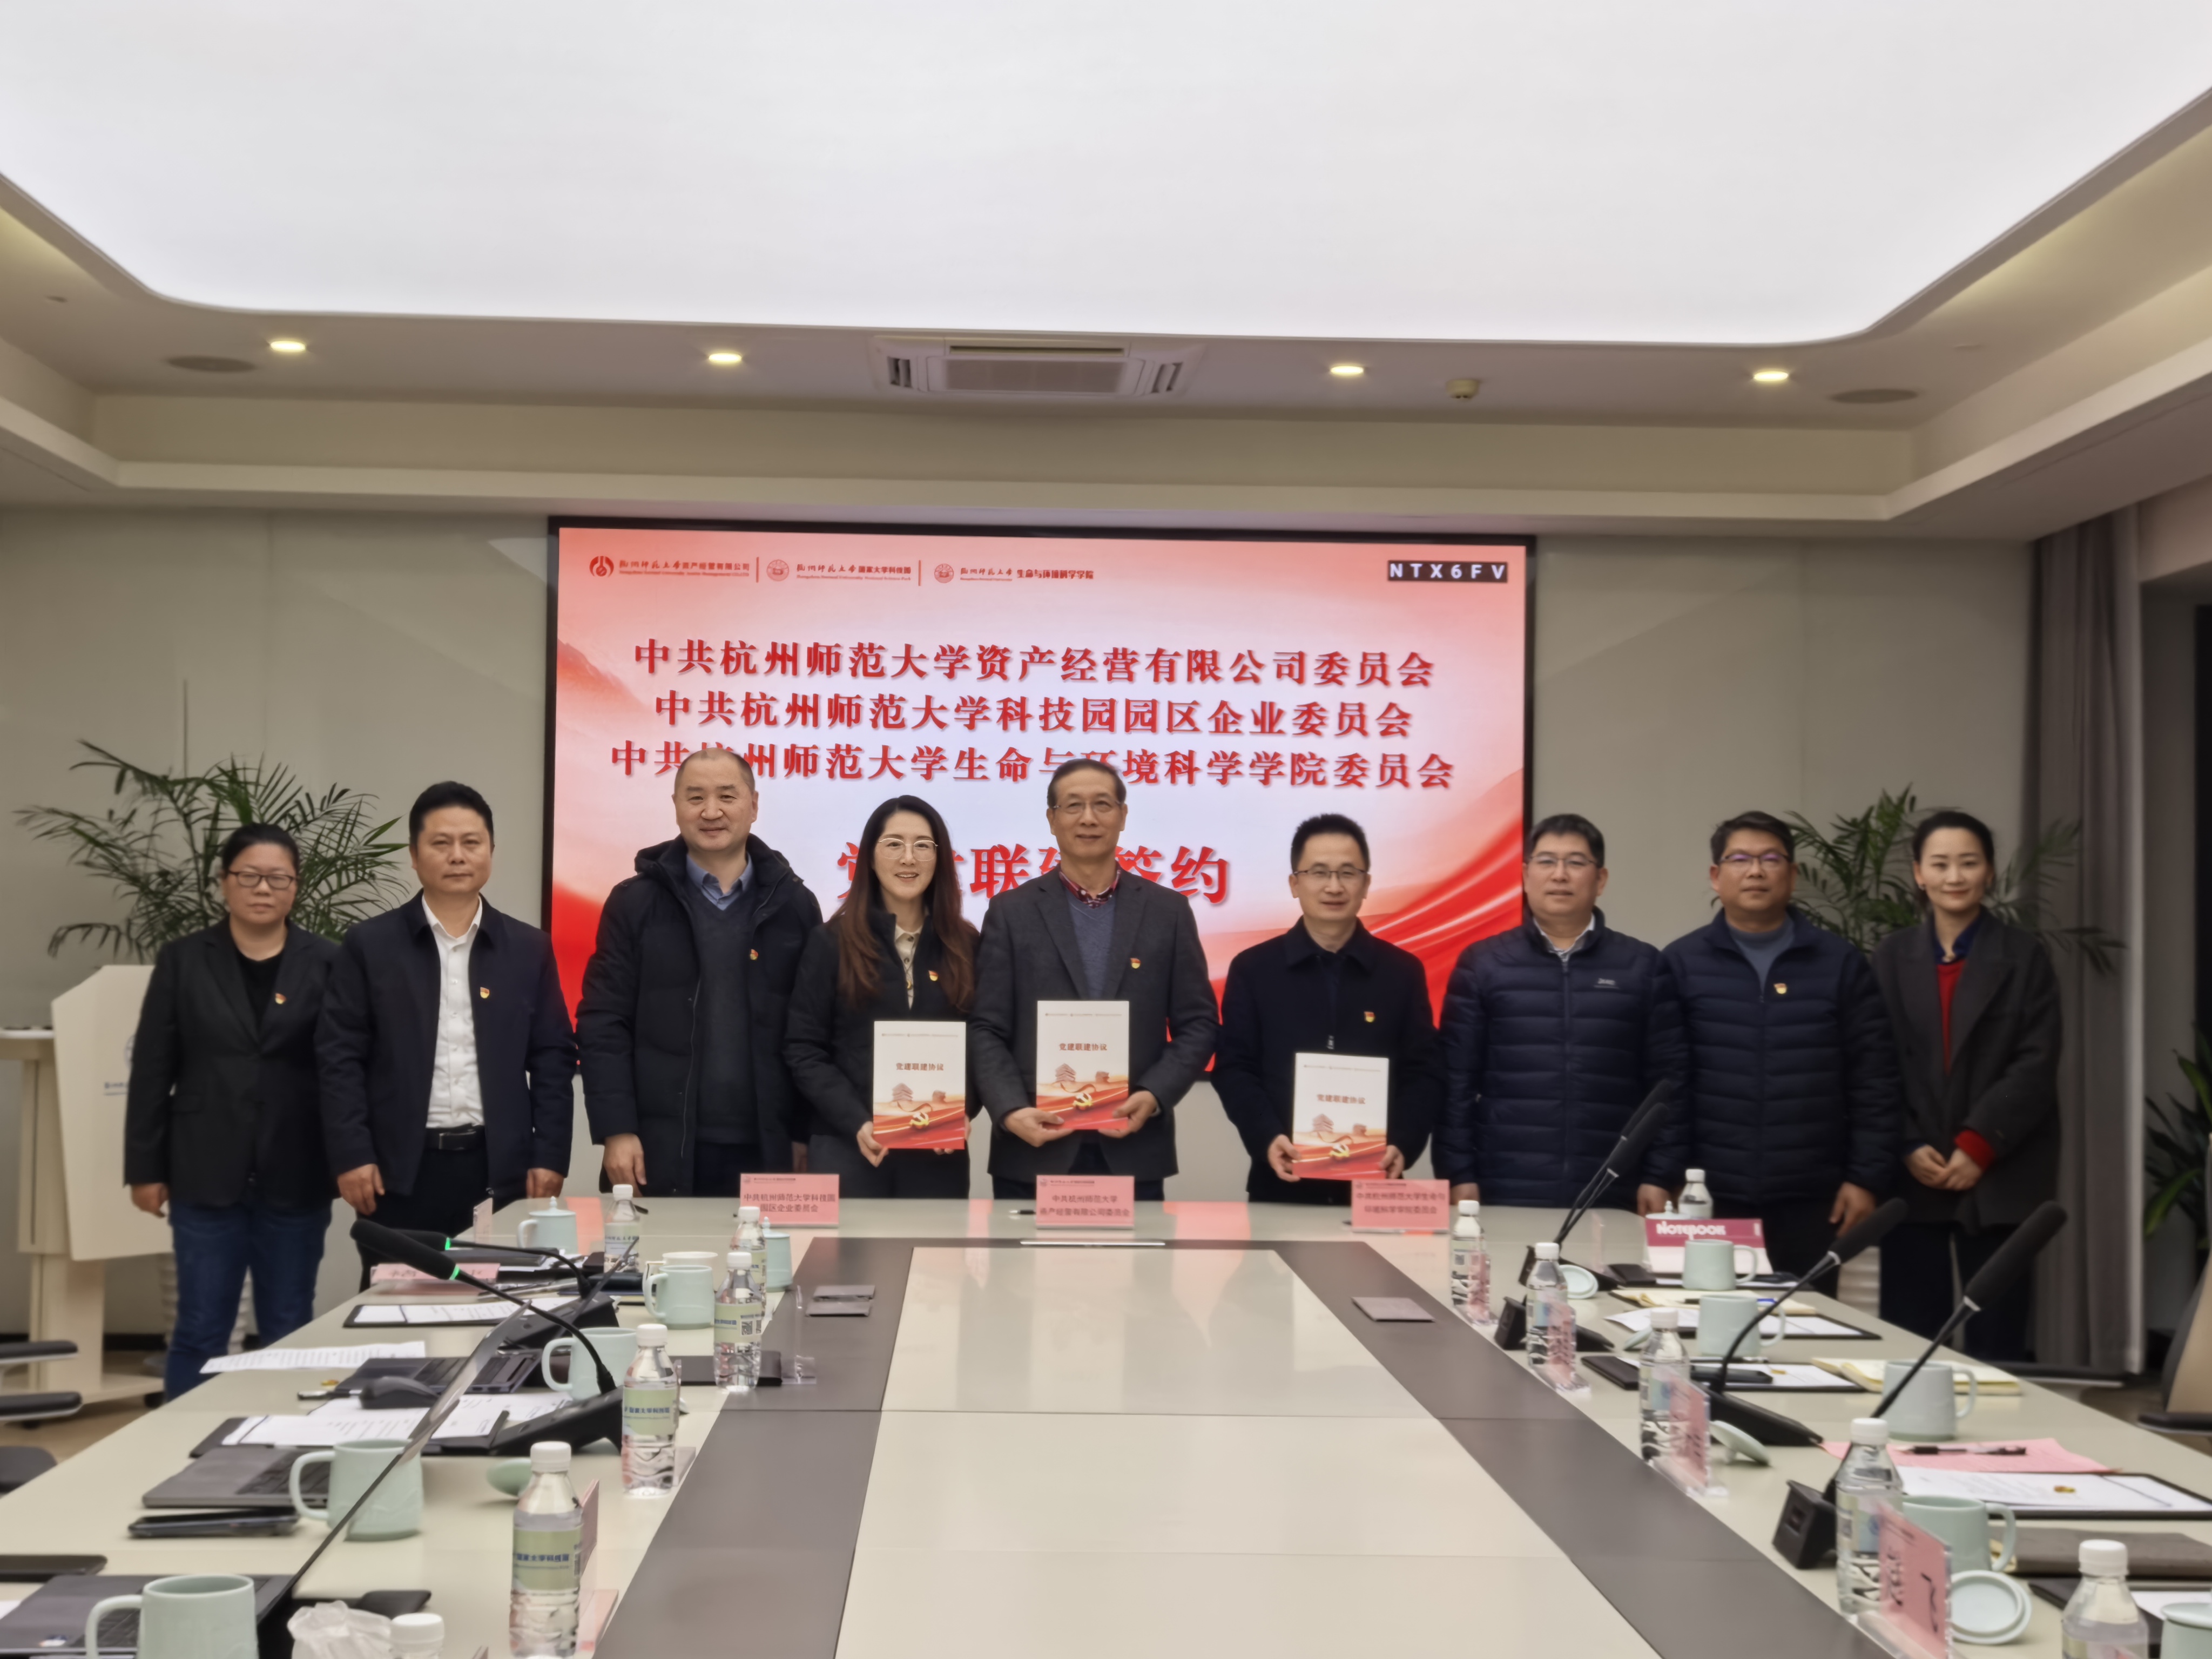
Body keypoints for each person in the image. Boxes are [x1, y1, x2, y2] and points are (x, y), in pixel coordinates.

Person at [319, 782, 575, 1274]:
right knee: (396, 1305)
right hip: (397, 1174)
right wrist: (351, 1154)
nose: (458, 856)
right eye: (441, 843)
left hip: (498, 1171)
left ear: (491, 851)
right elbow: (339, 1058)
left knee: (498, 1300)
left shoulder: (528, 948)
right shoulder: (370, 945)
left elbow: (553, 1058)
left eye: (471, 842)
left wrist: (550, 1156)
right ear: (415, 856)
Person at [125, 824, 339, 1399]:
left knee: (289, 1324)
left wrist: (349, 1158)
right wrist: (145, 1168)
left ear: (296, 887)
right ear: (224, 882)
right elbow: (152, 1069)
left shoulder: (328, 961)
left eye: (278, 878)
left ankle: (282, 1439)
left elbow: (343, 1070)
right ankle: (180, 1441)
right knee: (200, 1327)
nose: (263, 888)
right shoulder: (183, 960)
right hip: (203, 1171)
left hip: (296, 1171)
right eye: (249, 876)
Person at [1662, 811, 1902, 1284]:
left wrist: (1866, 1178)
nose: (1756, 871)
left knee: (1806, 1322)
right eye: (1740, 859)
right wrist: (1664, 1174)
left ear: (1792, 875)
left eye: (1770, 859)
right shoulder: (1680, 963)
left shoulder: (1841, 964)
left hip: (1812, 1198)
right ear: (1715, 876)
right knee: (1706, 1315)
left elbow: (1875, 1078)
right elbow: (1667, 1081)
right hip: (1708, 1195)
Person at [577, 747, 821, 1196]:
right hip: (658, 1146)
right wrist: (617, 1129)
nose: (711, 812)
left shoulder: (795, 906)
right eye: (695, 798)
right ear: (675, 806)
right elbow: (603, 1022)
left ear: (753, 805)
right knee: (659, 1247)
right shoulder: (634, 903)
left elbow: (812, 1031)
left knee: (772, 1248)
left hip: (770, 1146)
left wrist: (806, 1133)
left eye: (727, 796)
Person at [971, 758, 1218, 1200]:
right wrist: (1009, 1111)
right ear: (1052, 820)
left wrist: (1154, 1095)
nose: (1088, 818)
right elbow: (986, 1027)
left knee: (1138, 1253)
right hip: (1034, 1147)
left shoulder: (1168, 912)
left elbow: (1198, 1023)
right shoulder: (1011, 912)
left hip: (1133, 1144)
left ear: (1123, 815)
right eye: (1073, 806)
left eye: (1102, 804)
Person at [1871, 810, 2059, 1361]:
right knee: (1911, 1338)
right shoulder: (1890, 956)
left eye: (1969, 863)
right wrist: (1907, 1143)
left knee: (1999, 1338)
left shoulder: (2024, 955)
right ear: (1918, 874)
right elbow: (1875, 1061)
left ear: (1990, 872)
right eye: (1940, 864)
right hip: (1915, 1170)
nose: (1954, 876)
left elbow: (2036, 1061)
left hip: (2000, 1167)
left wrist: (1978, 1145)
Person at [1437, 813, 1684, 1213]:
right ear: (1525, 875)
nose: (1560, 875)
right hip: (1504, 1184)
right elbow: (1455, 1083)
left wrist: (1659, 1176)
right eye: (1547, 861)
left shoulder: (1643, 966)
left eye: (1576, 863)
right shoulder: (1483, 964)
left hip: (1614, 1186)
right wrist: (1458, 1174)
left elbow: (1670, 1083)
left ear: (1600, 880)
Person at [1215, 813, 1439, 1204]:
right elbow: (1235, 1068)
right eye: (1319, 872)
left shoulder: (1402, 972)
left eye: (1348, 873)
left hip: (1376, 1182)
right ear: (1295, 884)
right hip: (1282, 1180)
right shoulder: (1254, 969)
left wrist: (1404, 1143)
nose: (1334, 886)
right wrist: (1266, 1137)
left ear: (1366, 884)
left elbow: (1424, 1072)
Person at [784, 795, 977, 1197]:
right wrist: (856, 1121)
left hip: (937, 1155)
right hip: (848, 1148)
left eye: (923, 845)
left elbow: (984, 1042)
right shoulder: (830, 943)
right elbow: (804, 1049)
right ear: (870, 859)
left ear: (939, 859)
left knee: (936, 1241)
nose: (908, 858)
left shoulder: (967, 945)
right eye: (893, 844)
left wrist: (964, 1109)